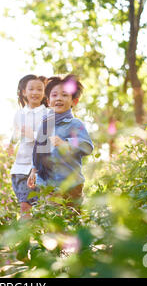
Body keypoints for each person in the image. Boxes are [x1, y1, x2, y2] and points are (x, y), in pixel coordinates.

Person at [27, 74, 93, 207]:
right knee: (52, 220)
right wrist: (33, 170)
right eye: (54, 95)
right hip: (47, 185)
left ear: (74, 101)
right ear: (48, 100)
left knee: (71, 219)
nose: (59, 98)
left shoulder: (75, 124)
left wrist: (66, 143)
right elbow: (38, 150)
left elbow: (87, 146)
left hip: (70, 184)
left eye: (64, 95)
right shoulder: (44, 125)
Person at [8, 74, 49, 218]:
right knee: (24, 206)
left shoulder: (48, 113)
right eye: (31, 89)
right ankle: (26, 237)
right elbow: (15, 133)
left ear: (44, 93)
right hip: (20, 166)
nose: (35, 92)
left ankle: (30, 236)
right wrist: (11, 144)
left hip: (39, 168)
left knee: (34, 207)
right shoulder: (19, 114)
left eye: (39, 89)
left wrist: (33, 135)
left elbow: (47, 141)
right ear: (24, 92)